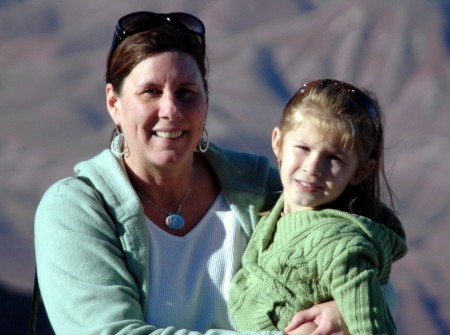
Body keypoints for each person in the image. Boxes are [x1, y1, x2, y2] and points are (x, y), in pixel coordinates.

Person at [34, 11, 399, 335]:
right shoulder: (76, 210)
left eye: (187, 92)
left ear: (206, 100)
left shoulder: (260, 188)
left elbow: (363, 268)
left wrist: (344, 311)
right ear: (114, 103)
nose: (171, 110)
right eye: (150, 92)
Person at [228, 79, 408, 334]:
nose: (312, 168)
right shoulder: (272, 218)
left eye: (333, 158)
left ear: (360, 171)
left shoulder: (340, 245)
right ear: (278, 142)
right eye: (303, 148)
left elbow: (373, 327)